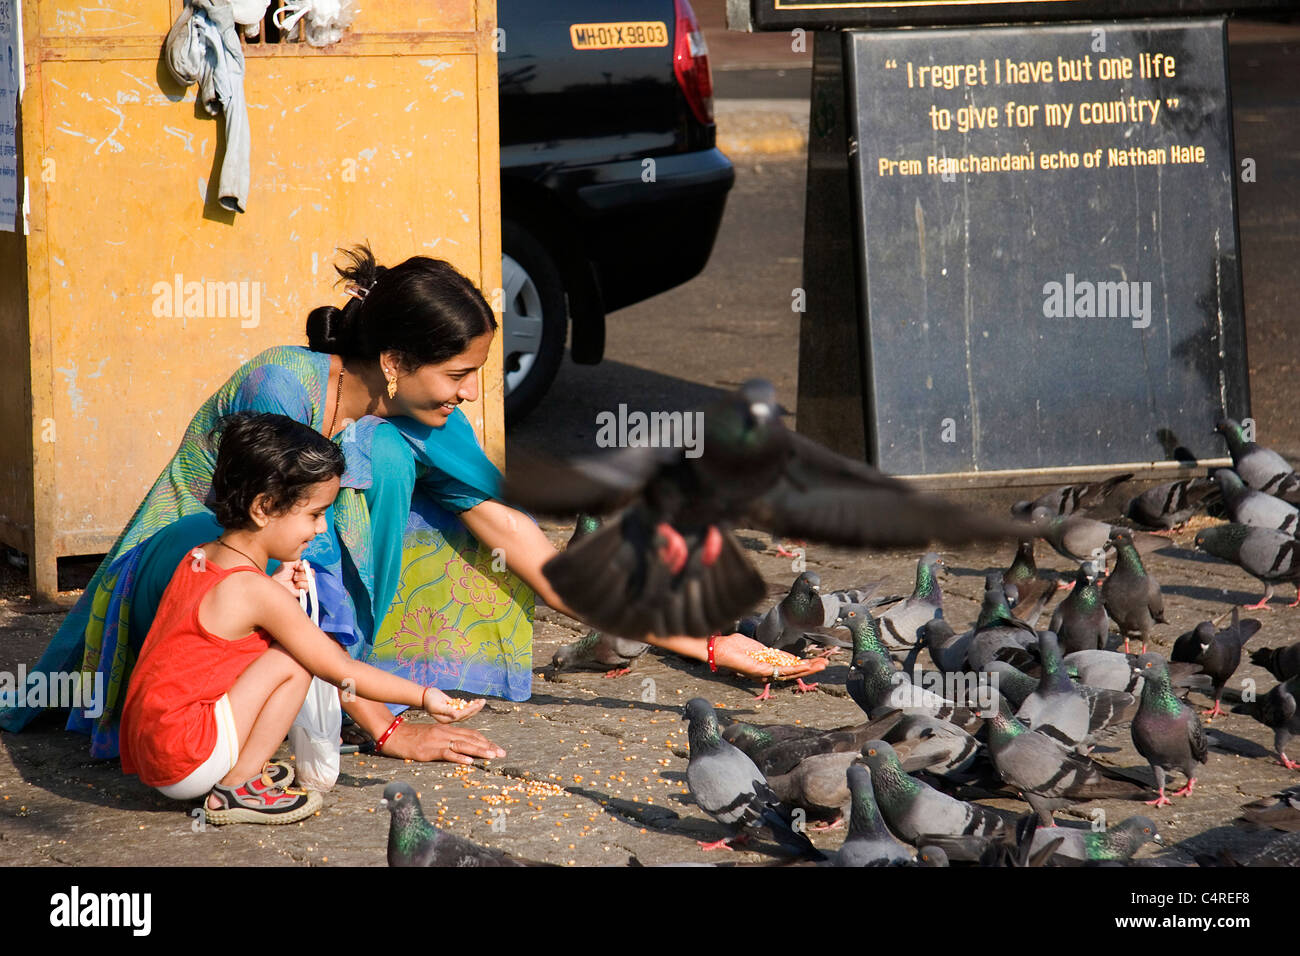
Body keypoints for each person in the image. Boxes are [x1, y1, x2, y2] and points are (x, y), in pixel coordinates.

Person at [0, 245, 822, 763]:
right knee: (372, 472)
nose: (470, 394)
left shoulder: (413, 418)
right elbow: (264, 562)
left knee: (411, 475)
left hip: (278, 612)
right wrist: (391, 727)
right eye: (459, 376)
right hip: (188, 583)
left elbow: (522, 543)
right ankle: (332, 703)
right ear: (393, 361)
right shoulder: (281, 385)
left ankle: (326, 694)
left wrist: (707, 645)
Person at [120, 413, 483, 823]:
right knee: (296, 659)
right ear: (264, 507)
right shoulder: (256, 593)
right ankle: (237, 787)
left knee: (278, 654)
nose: (322, 528)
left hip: (154, 746)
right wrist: (424, 696)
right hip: (186, 757)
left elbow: (215, 633)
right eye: (314, 514)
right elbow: (338, 668)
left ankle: (229, 771)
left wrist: (272, 588)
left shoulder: (201, 558)